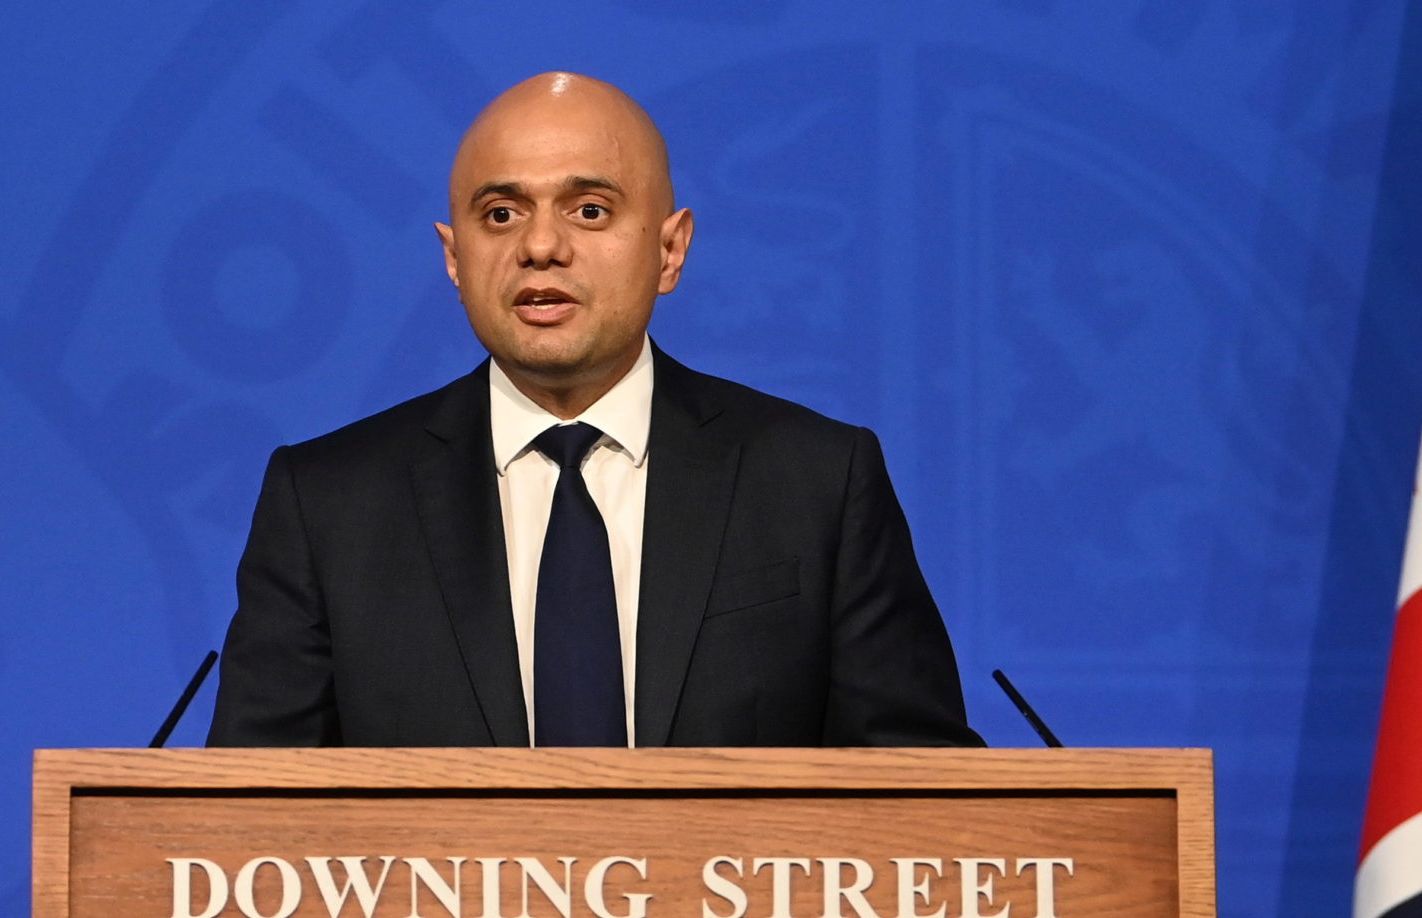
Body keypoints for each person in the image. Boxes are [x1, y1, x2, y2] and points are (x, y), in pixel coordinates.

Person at [208, 72, 981, 749]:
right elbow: (243, 821)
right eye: (501, 214)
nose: (541, 246)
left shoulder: (816, 482)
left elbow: (926, 800)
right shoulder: (327, 503)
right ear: (453, 257)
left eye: (589, 210)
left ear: (670, 251)